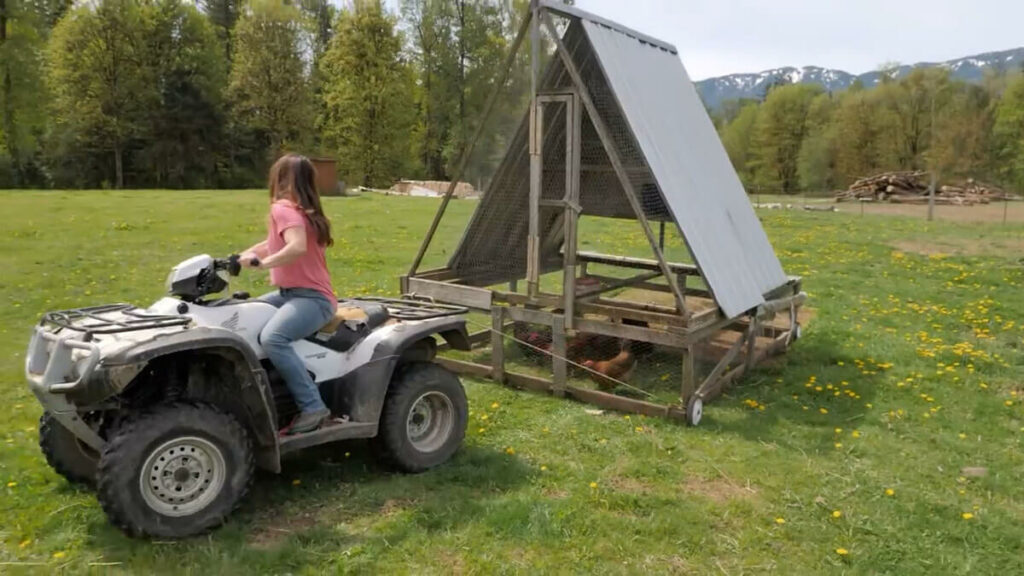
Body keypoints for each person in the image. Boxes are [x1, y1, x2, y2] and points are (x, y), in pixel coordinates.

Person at [240, 154, 337, 434]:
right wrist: (241, 255)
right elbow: (273, 242)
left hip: (313, 299)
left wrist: (262, 263)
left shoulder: (283, 210)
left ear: (282, 179)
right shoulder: (302, 212)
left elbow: (295, 247)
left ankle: (313, 407)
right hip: (289, 294)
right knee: (247, 315)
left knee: (273, 338)